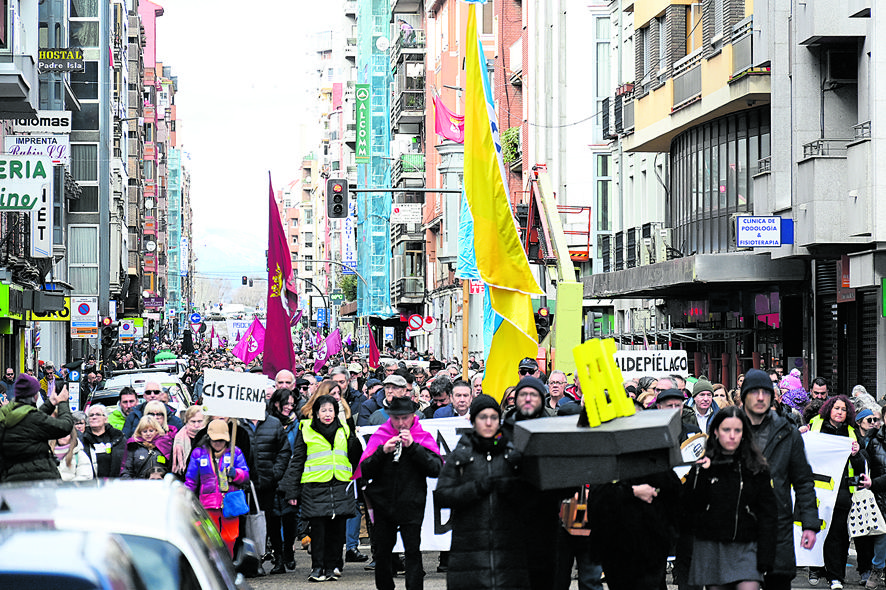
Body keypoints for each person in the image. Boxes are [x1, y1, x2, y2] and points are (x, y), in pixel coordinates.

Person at [435, 394, 529, 590]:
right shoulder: (460, 456)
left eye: (493, 417)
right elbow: (443, 495)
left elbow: (531, 496)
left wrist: (512, 488)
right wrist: (475, 489)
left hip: (509, 552)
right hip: (469, 552)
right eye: (482, 417)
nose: (488, 422)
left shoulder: (512, 455)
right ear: (472, 420)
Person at [740, 369, 820, 590]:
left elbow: (803, 481)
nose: (759, 397)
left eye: (765, 392)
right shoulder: (730, 429)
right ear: (743, 395)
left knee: (778, 581)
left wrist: (810, 525)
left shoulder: (787, 433)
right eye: (753, 392)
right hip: (738, 526)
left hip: (777, 524)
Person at [682, 406, 777, 590]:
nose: (732, 436)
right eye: (726, 430)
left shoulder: (756, 467)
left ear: (744, 433)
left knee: (749, 586)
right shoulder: (703, 465)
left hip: (746, 543)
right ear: (716, 431)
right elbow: (689, 508)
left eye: (737, 430)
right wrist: (700, 474)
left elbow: (768, 514)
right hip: (712, 544)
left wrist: (767, 555)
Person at [355, 396, 443, 590]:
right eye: (397, 418)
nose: (402, 423)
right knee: (383, 552)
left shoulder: (421, 436)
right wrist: (381, 452)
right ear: (390, 417)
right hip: (383, 505)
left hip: (411, 504)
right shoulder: (381, 435)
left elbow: (436, 468)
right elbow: (364, 470)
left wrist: (413, 448)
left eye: (405, 418)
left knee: (412, 551)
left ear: (413, 416)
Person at [281, 395, 362, 582]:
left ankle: (333, 566)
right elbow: (298, 461)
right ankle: (317, 567)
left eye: (331, 410)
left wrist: (353, 436)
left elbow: (354, 456)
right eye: (323, 410)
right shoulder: (306, 429)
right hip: (315, 486)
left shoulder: (344, 429)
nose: (327, 414)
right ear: (316, 412)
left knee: (337, 530)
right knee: (318, 530)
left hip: (340, 485)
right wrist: (292, 491)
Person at [807, 394, 866, 588]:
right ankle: (815, 567)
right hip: (817, 490)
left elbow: (859, 467)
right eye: (836, 408)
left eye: (843, 409)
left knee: (838, 534)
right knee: (818, 530)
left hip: (841, 491)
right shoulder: (814, 426)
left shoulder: (851, 432)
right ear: (829, 409)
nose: (840, 412)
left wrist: (856, 454)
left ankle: (836, 576)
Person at [185, 419, 250, 557]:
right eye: (215, 440)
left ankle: (228, 564)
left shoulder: (235, 452)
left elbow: (245, 476)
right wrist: (186, 498)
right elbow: (191, 480)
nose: (218, 443)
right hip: (207, 503)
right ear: (209, 438)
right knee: (209, 538)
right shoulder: (198, 454)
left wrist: (236, 474)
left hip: (229, 502)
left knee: (230, 538)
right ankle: (213, 567)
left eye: (221, 440)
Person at [0, 375, 74, 482]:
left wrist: (51, 403)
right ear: (35, 396)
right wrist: (63, 402)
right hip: (39, 480)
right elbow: (65, 426)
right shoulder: (33, 419)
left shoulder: (6, 414)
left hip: (11, 480)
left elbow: (30, 421)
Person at [855, 407, 882, 586]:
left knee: (877, 532)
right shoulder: (854, 438)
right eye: (869, 420)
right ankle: (865, 568)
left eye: (876, 419)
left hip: (877, 487)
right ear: (859, 422)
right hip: (859, 487)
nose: (874, 423)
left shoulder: (876, 437)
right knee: (862, 530)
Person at [82, 404, 127, 478]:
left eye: (98, 414)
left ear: (105, 419)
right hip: (90, 483)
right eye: (91, 415)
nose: (94, 417)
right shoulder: (82, 439)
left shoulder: (118, 437)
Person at [172, 405, 206, 476]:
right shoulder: (179, 438)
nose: (196, 425)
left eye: (199, 421)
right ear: (186, 421)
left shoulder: (209, 437)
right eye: (193, 421)